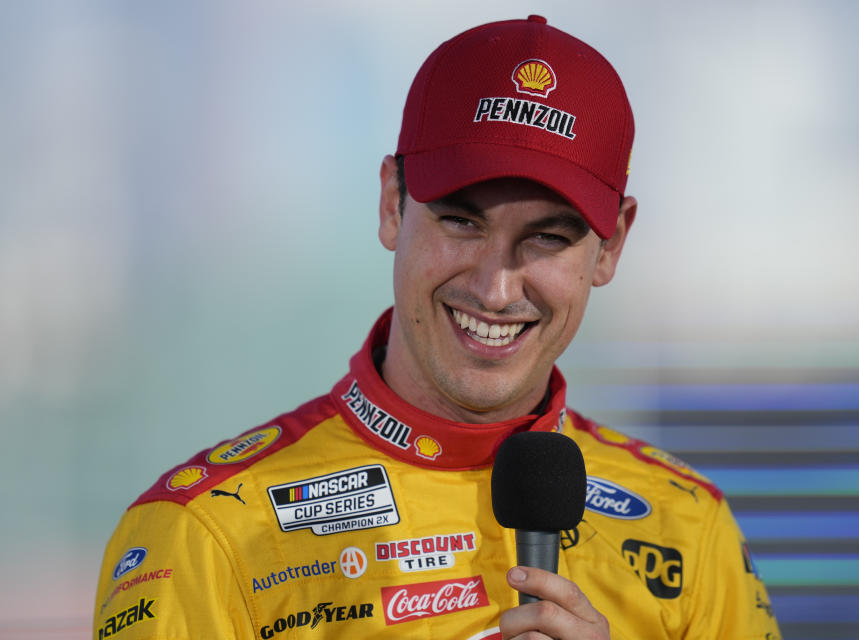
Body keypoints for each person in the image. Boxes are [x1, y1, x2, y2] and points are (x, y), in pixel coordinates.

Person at [94, 15, 780, 640]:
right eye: (462, 222)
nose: (495, 285)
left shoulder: (689, 527)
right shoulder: (203, 532)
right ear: (392, 204)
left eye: (547, 237)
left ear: (611, 248)